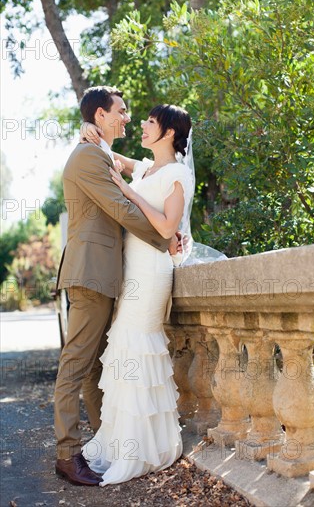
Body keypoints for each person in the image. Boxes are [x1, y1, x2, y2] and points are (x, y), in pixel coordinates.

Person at [54, 87, 176, 487]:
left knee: (93, 367)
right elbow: (121, 209)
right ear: (101, 115)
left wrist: (89, 129)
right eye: (121, 111)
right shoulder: (89, 155)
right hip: (90, 272)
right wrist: (165, 237)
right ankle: (68, 455)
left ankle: (101, 445)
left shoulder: (99, 151)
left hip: (103, 273)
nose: (127, 117)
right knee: (77, 364)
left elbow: (149, 169)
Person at [80, 103, 194, 485]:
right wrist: (86, 129)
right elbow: (109, 157)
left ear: (170, 133)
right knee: (125, 350)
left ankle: (143, 449)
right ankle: (125, 443)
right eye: (142, 120)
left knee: (137, 347)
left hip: (151, 271)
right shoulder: (148, 168)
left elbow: (166, 229)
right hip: (130, 268)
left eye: (150, 122)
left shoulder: (178, 174)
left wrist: (129, 192)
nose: (141, 125)